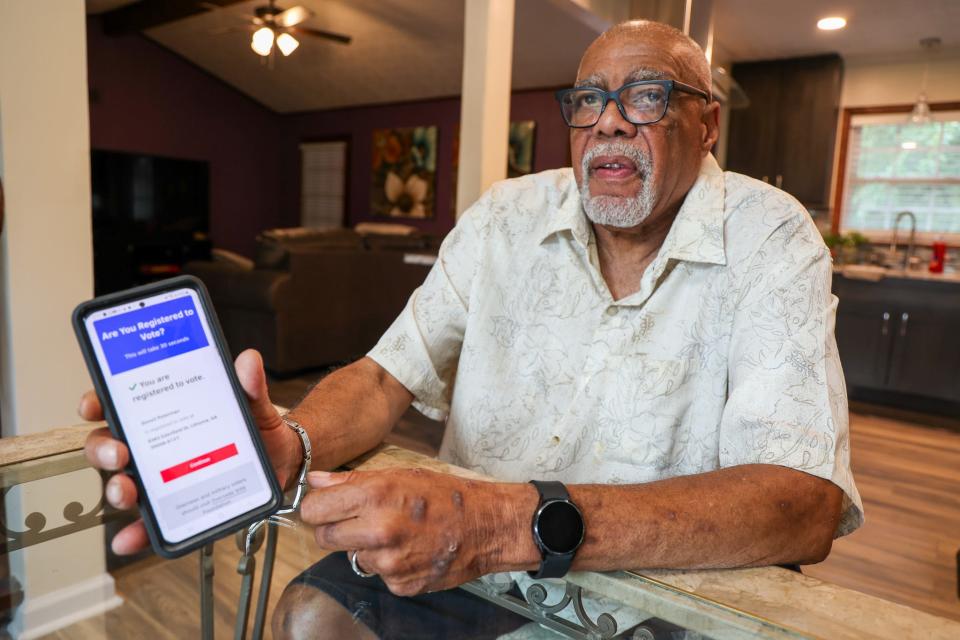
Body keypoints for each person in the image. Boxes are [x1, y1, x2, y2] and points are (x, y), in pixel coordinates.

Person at [81, 20, 862, 640]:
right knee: (311, 616)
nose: (610, 124)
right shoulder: (505, 216)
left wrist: (497, 520)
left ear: (707, 124)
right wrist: (294, 438)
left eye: (647, 96)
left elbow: (802, 504)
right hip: (464, 568)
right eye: (587, 100)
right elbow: (389, 374)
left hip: (657, 598)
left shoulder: (771, 235)